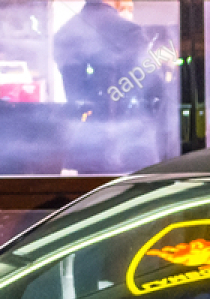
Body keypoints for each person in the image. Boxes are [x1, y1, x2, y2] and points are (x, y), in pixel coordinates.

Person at [52, 0, 162, 174]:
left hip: (89, 144)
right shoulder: (128, 31)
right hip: (133, 144)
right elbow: (155, 86)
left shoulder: (65, 32)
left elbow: (75, 95)